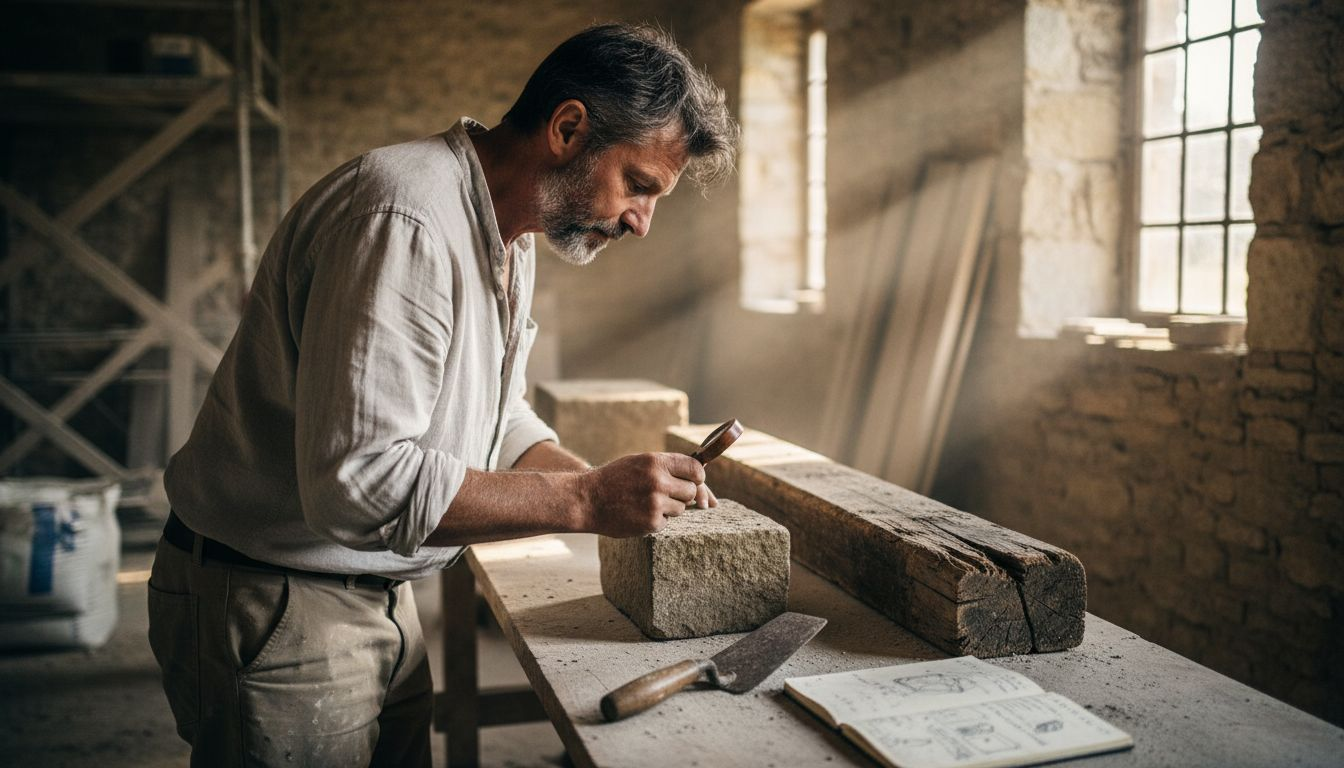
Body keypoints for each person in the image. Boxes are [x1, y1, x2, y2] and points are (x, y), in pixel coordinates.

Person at [146, 23, 737, 767]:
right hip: (280, 599)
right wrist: (586, 500)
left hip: (376, 591)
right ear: (567, 129)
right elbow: (360, 483)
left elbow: (497, 416)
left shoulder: (506, 231)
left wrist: (600, 483)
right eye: (639, 185)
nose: (641, 223)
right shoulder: (405, 219)